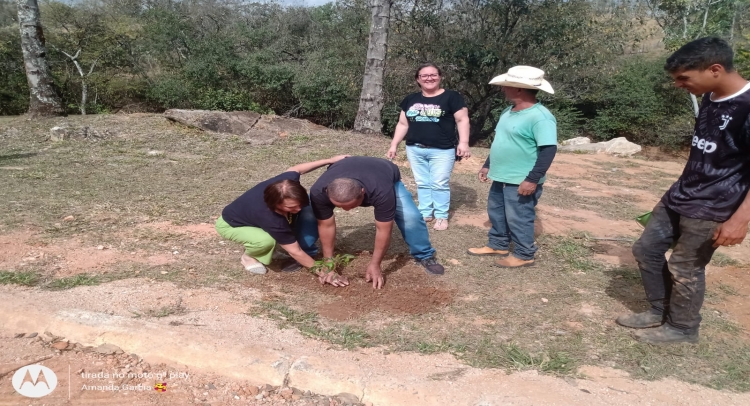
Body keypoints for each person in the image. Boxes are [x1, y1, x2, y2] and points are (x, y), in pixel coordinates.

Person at [616, 37, 750, 344]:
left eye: (684, 78)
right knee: (646, 250)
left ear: (715, 69)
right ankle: (658, 311)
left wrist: (739, 220)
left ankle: (683, 328)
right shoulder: (709, 96)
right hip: (681, 195)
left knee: (685, 266)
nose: (679, 85)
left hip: (715, 206)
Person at [466, 66, 558, 268]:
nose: (502, 89)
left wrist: (532, 179)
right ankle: (498, 244)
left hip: (520, 179)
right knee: (496, 212)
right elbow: (502, 141)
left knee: (519, 217)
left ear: (519, 89)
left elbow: (548, 150)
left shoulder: (541, 117)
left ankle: (525, 254)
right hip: (501, 176)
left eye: (507, 85)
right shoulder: (509, 111)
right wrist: (488, 165)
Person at [309, 156, 445, 289]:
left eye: (350, 206)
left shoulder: (381, 191)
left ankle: (424, 255)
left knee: (411, 217)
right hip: (347, 169)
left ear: (363, 193)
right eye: (339, 206)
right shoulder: (319, 191)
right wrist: (329, 264)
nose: (345, 210)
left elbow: (383, 229)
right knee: (308, 214)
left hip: (383, 171)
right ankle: (305, 251)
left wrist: (375, 264)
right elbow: (326, 225)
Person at [215, 156, 350, 287]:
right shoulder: (270, 218)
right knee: (265, 241)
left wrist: (329, 160)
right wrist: (324, 272)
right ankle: (249, 257)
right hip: (232, 224)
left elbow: (296, 169)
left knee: (311, 210)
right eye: (291, 207)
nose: (298, 210)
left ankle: (279, 247)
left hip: (257, 217)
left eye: (299, 204)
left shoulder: (286, 184)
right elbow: (295, 251)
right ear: (276, 204)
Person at [387, 63, 471, 231]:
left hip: (442, 149)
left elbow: (462, 120)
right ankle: (425, 212)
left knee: (439, 183)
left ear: (440, 77)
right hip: (415, 148)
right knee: (422, 182)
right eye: (424, 76)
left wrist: (464, 142)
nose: (429, 78)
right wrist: (394, 144)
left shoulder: (452, 97)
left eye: (433, 75)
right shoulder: (410, 99)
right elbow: (403, 124)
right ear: (418, 79)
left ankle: (441, 216)